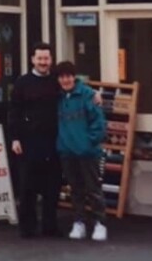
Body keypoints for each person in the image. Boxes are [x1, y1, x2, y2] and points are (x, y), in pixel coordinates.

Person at [9, 42, 63, 238]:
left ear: (51, 60)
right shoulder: (22, 82)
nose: (43, 62)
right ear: (32, 59)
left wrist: (95, 95)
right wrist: (14, 138)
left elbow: (76, 87)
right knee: (27, 187)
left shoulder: (57, 81)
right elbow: (14, 111)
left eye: (46, 58)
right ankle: (27, 228)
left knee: (52, 187)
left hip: (53, 142)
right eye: (39, 58)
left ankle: (50, 227)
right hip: (28, 142)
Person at [55, 61, 107, 241]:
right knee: (75, 190)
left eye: (68, 76)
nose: (65, 80)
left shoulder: (87, 95)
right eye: (61, 77)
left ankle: (100, 223)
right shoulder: (57, 97)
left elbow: (99, 124)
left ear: (74, 77)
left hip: (88, 153)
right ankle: (79, 222)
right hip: (67, 152)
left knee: (93, 189)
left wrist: (89, 143)